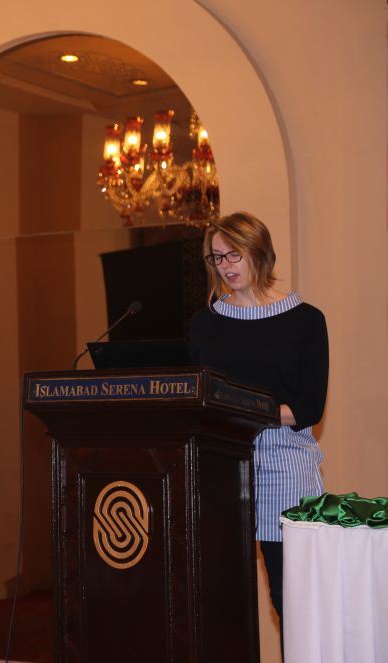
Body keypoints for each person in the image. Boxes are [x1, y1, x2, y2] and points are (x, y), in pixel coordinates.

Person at [188, 211, 328, 629]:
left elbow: (309, 408)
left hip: (286, 463)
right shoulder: (204, 324)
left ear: (259, 252)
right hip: (221, 463)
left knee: (290, 597)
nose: (225, 266)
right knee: (221, 593)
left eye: (234, 254)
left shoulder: (306, 320)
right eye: (217, 257)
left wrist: (248, 409)